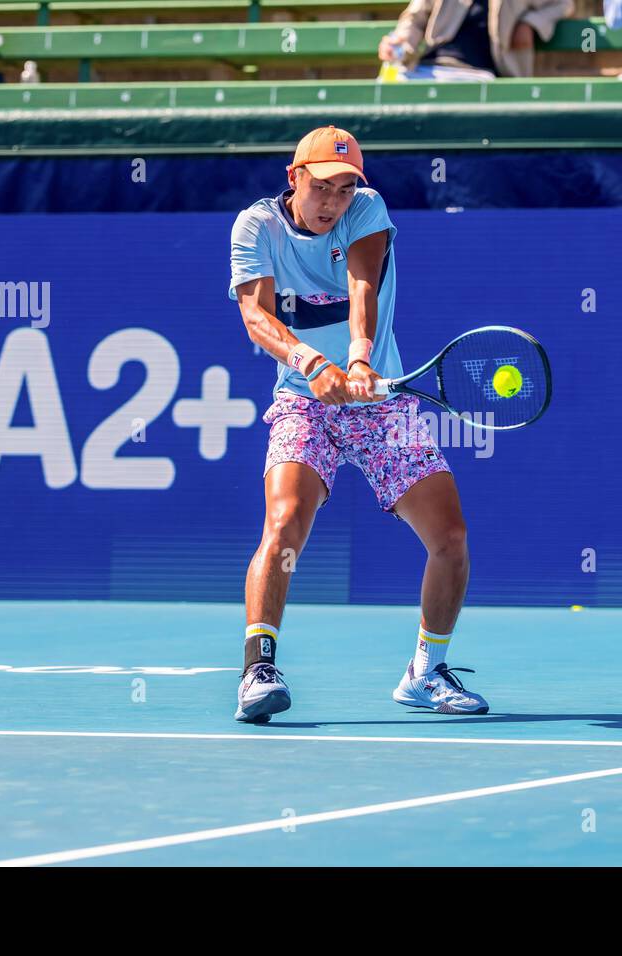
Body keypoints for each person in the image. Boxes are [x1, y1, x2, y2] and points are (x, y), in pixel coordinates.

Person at [228, 125, 487, 723]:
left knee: (450, 539)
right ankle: (258, 668)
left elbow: (362, 284)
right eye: (322, 187)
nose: (334, 201)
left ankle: (425, 672)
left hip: (380, 403)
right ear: (294, 178)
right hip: (302, 399)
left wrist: (361, 356)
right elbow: (255, 315)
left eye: (345, 188)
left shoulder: (365, 211)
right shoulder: (255, 227)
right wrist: (310, 362)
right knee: (285, 519)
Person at [377, 0, 574, 82]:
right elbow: (415, 18)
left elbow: (563, 4)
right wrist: (400, 42)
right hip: (428, 69)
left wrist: (530, 23)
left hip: (478, 75)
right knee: (387, 90)